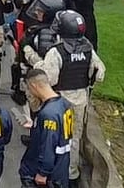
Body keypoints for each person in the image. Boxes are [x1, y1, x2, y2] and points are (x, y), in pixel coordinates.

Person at [30, 10, 105, 185]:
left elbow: (50, 78)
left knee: (51, 136)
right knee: (74, 137)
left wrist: (37, 62)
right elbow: (100, 72)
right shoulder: (88, 48)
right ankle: (71, 173)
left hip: (59, 100)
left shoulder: (56, 52)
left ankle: (46, 170)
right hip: (81, 99)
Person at [18, 69, 72, 188]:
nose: (29, 92)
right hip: (60, 168)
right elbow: (59, 134)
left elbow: (49, 145)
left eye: (29, 88)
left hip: (45, 176)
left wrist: (43, 172)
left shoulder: (49, 114)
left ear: (34, 86)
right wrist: (36, 126)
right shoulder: (64, 103)